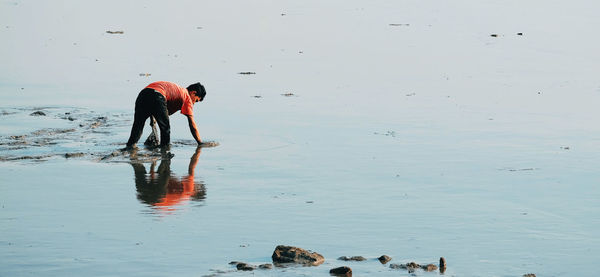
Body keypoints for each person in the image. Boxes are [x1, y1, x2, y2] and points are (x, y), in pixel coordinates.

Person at [126, 81, 206, 149]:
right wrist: (200, 143)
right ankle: (164, 151)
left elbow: (158, 109)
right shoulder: (187, 97)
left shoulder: (177, 91)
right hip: (157, 95)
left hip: (143, 94)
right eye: (196, 100)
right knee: (165, 129)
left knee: (138, 125)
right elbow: (192, 124)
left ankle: (130, 147)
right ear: (193, 92)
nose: (193, 103)